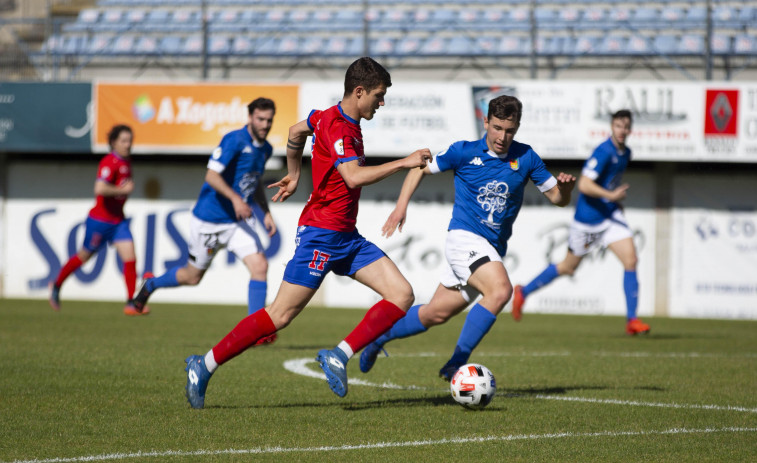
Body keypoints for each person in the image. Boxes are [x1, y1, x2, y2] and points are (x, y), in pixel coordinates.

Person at [182, 57, 433, 408]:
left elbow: (295, 132)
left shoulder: (324, 116)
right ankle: (203, 365)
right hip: (320, 235)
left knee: (402, 294)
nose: (382, 102)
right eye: (378, 95)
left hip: (346, 236)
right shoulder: (341, 128)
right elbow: (354, 177)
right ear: (359, 91)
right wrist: (404, 162)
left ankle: (338, 355)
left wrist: (295, 173)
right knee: (279, 316)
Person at [359, 95, 577, 381]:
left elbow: (557, 199)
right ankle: (456, 364)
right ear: (485, 122)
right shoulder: (463, 152)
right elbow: (420, 168)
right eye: (497, 127)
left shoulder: (526, 157)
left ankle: (377, 338)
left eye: (510, 130)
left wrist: (567, 189)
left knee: (435, 314)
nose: (502, 136)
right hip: (464, 238)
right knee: (500, 291)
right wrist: (401, 206)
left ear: (518, 127)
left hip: (491, 248)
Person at [132, 98, 278, 328]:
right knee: (192, 277)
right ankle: (151, 284)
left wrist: (266, 212)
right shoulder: (234, 140)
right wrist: (235, 199)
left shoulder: (266, 149)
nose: (265, 124)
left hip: (235, 223)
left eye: (269, 120)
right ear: (250, 117)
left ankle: (255, 329)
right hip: (209, 219)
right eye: (260, 119)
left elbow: (254, 181)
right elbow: (211, 175)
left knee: (260, 266)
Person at [511, 109, 650, 336]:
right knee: (567, 267)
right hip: (587, 220)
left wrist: (613, 201)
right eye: (618, 126)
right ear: (611, 127)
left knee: (631, 260)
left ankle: (632, 321)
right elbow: (584, 185)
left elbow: (608, 182)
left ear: (630, 129)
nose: (622, 131)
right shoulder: (604, 151)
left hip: (609, 216)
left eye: (626, 126)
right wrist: (612, 196)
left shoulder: (626, 153)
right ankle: (523, 291)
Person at [48, 124, 147, 316]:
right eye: (123, 141)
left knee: (130, 257)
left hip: (118, 221)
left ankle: (130, 303)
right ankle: (57, 284)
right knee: (84, 256)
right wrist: (121, 190)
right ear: (113, 142)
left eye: (130, 141)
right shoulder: (109, 162)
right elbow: (100, 189)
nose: (128, 145)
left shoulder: (127, 161)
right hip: (100, 221)